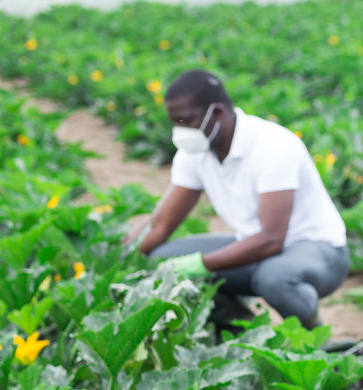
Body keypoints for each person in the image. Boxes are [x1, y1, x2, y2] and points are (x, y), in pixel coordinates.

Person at [126, 69, 349, 330]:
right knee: (161, 259)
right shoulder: (194, 153)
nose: (180, 130)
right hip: (255, 248)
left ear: (217, 113)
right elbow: (161, 224)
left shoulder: (273, 145)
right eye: (175, 122)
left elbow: (271, 238)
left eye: (186, 120)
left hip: (317, 250)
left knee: (274, 278)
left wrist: (200, 264)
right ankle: (240, 327)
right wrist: (124, 258)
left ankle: (314, 336)